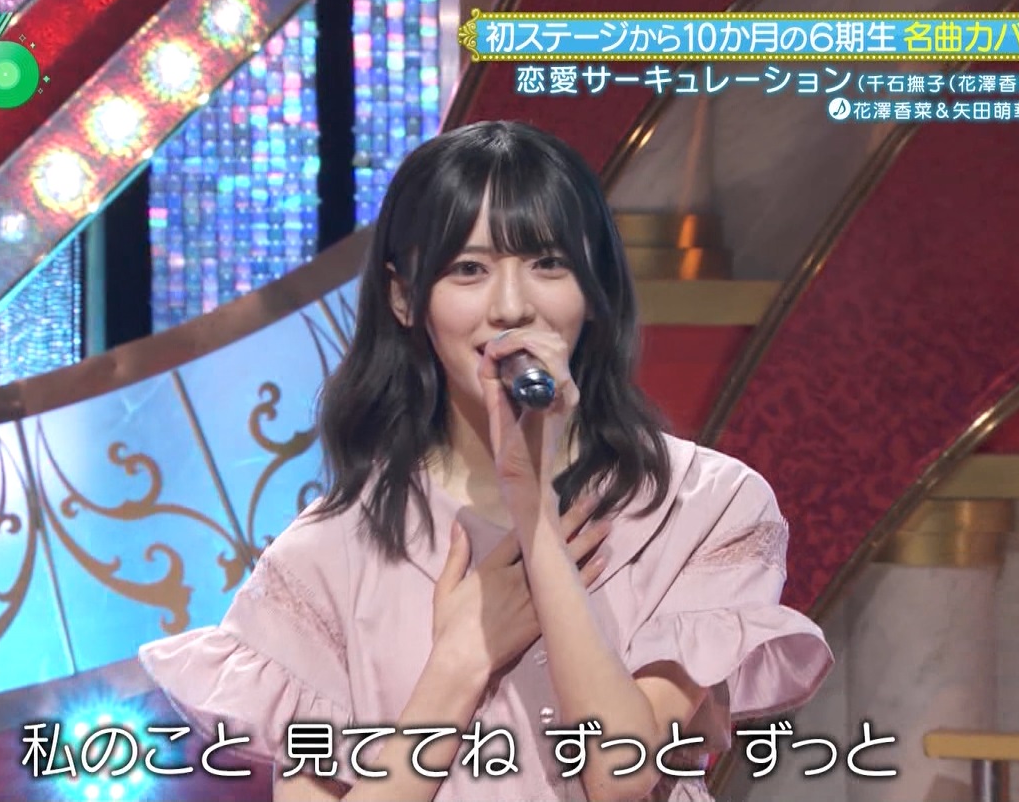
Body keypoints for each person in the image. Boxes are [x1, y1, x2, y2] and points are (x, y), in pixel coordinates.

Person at [139, 120, 833, 801]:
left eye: (548, 263)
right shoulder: (326, 555)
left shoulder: (702, 505)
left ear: (594, 286)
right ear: (405, 297)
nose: (511, 306)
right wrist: (461, 660)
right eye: (469, 270)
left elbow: (619, 774)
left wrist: (535, 513)